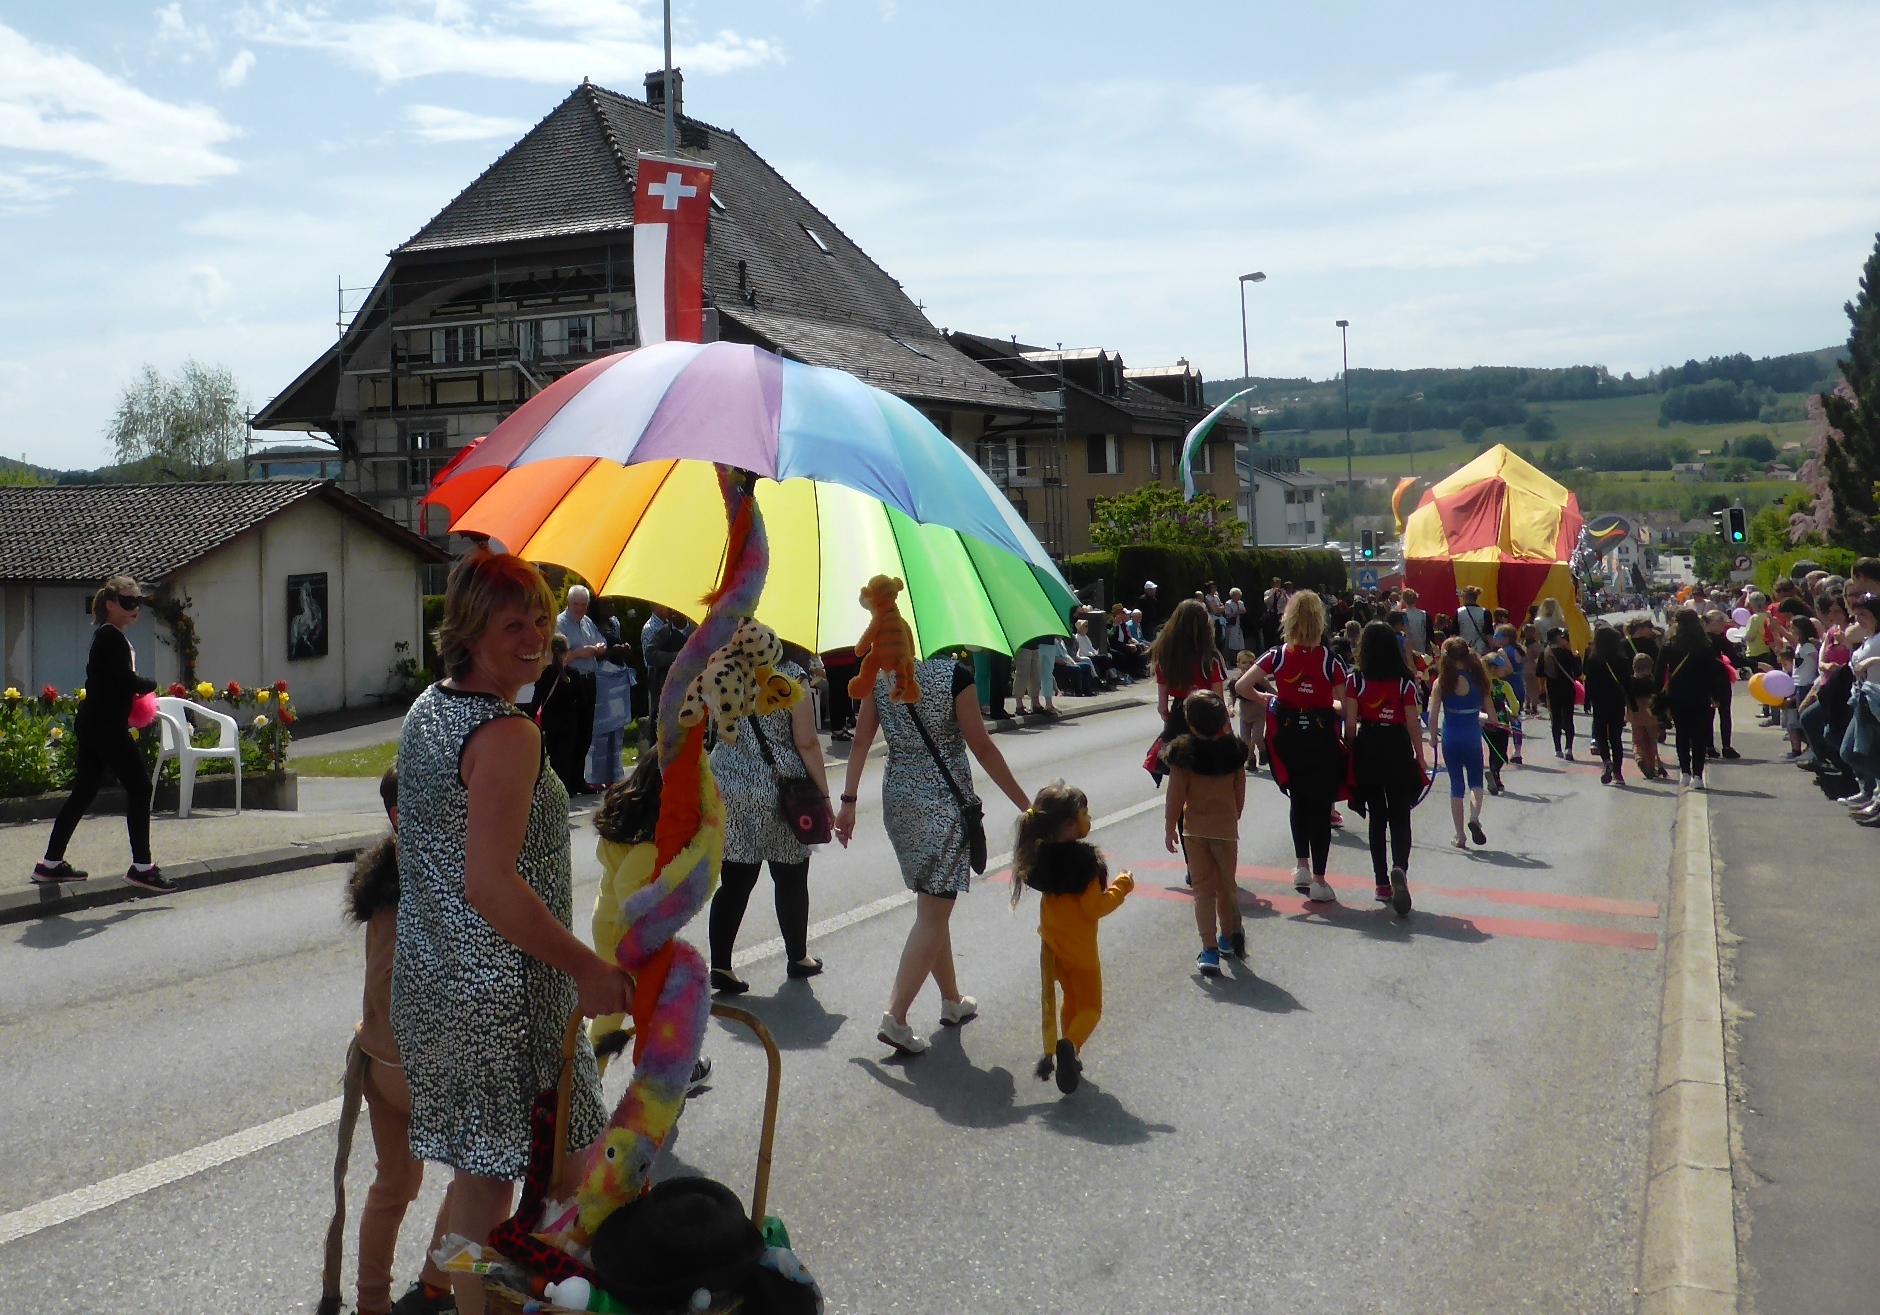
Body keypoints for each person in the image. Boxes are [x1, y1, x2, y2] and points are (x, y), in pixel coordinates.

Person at [394, 551, 629, 1315]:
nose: (534, 638)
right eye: (512, 625)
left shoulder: (429, 708)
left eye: (539, 618)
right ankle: (521, 1298)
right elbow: (490, 884)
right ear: (469, 632)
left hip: (436, 983)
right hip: (508, 999)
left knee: (481, 1181)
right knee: (578, 1174)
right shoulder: (505, 734)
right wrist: (587, 966)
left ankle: (470, 1296)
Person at [834, 646, 1031, 1056]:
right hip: (943, 802)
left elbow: (860, 743)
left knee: (932, 905)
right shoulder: (955, 675)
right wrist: (1026, 806)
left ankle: (952, 1000)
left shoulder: (880, 677)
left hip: (898, 799)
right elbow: (982, 747)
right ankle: (895, 1016)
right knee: (933, 910)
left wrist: (848, 802)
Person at [344, 767, 456, 1315]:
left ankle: (373, 1303)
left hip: (379, 1059)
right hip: (411, 1063)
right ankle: (436, 1281)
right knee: (483, 1172)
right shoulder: (415, 876)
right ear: (400, 815)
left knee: (395, 1182)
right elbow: (387, 979)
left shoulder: (396, 870)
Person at [707, 643, 832, 992]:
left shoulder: (724, 670)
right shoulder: (792, 676)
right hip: (780, 790)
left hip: (728, 785)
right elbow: (806, 742)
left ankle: (721, 965)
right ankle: (798, 957)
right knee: (791, 875)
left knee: (735, 880)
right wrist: (824, 795)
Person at [35, 577, 168, 890]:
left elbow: (114, 682)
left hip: (96, 724)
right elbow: (124, 679)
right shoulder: (110, 637)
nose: (135, 608)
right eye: (127, 602)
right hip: (105, 726)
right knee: (140, 786)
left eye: (138, 602)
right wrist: (149, 685)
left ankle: (50, 864)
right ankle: (142, 867)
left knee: (84, 792)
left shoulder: (110, 636)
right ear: (110, 605)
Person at [1011, 782, 1133, 1094]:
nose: (1088, 819)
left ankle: (1070, 1053)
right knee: (1090, 1007)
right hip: (1081, 952)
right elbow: (1095, 909)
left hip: (1054, 948)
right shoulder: (1085, 865)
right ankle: (1070, 1044)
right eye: (1084, 814)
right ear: (1069, 825)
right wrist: (1122, 886)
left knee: (1071, 1000)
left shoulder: (1040, 858)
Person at [1237, 590, 1347, 900]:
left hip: (1287, 738)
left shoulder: (1278, 655)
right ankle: (1320, 880)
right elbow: (1345, 705)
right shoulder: (1330, 660)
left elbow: (1242, 685)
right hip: (1321, 739)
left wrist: (1267, 698)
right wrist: (1329, 705)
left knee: (1298, 801)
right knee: (1321, 807)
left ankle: (1301, 866)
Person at [1164, 691, 1248, 975]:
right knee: (1226, 885)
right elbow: (1239, 792)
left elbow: (1175, 796)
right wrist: (1233, 815)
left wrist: (1170, 827)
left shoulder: (1183, 754)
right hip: (1226, 829)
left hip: (1195, 831)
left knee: (1202, 890)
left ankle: (1209, 950)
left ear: (1191, 723)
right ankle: (1228, 937)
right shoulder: (1234, 752)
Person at [1344, 621, 1424, 916]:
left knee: (1377, 816)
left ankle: (1381, 883)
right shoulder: (1405, 682)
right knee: (1401, 816)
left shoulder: (1356, 680)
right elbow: (1413, 723)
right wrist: (1420, 756)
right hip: (1397, 746)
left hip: (1369, 745)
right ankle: (1400, 867)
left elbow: (1350, 724)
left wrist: (1350, 749)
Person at [1146, 599, 1227, 782]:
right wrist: (1225, 728)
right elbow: (1218, 698)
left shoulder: (1165, 655)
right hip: (1207, 715)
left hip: (1179, 714)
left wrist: (1170, 719)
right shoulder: (1210, 658)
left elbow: (1162, 707)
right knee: (1206, 775)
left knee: (1178, 773)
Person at [1428, 636, 1493, 849]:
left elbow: (1433, 715)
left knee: (1456, 785)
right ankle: (1474, 817)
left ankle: (1460, 835)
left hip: (1451, 736)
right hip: (1472, 735)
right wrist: (1480, 717)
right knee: (1476, 781)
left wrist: (1432, 737)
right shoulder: (1479, 680)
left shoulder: (1442, 682)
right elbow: (1492, 718)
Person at [1659, 607, 1722, 790]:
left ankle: (1685, 772)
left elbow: (1659, 669)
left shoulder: (1670, 643)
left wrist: (1659, 694)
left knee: (1682, 733)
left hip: (1677, 693)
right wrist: (1716, 695)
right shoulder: (1705, 644)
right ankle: (1698, 775)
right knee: (1699, 735)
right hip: (1700, 693)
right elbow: (1713, 672)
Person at [555, 585, 607, 793]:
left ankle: (578, 779)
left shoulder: (587, 622)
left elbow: (600, 639)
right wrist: (578, 653)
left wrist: (599, 647)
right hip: (569, 682)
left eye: (583, 605)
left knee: (585, 732)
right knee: (569, 733)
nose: (579, 609)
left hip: (589, 679)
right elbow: (556, 659)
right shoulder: (559, 623)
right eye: (576, 604)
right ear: (568, 603)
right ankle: (565, 782)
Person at [523, 634, 585, 797]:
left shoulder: (544, 674)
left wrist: (531, 719)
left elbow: (536, 700)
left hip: (549, 721)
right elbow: (582, 700)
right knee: (565, 758)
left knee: (551, 758)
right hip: (569, 722)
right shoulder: (574, 674)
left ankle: (551, 790)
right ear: (567, 651)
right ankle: (565, 790)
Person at [1584, 625, 1633, 785]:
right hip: (1616, 700)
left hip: (1599, 700)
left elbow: (1589, 682)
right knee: (1616, 737)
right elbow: (1627, 682)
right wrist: (1632, 703)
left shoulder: (1592, 659)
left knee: (1600, 734)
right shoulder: (1621, 659)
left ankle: (1606, 760)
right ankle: (1618, 773)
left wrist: (1587, 700)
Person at [638, 604, 691, 746]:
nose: (673, 612)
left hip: (689, 688)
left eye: (676, 609)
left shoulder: (695, 632)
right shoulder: (663, 633)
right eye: (670, 610)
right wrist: (676, 657)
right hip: (665, 688)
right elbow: (650, 655)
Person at [1541, 627, 1582, 759]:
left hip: (1552, 689)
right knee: (1568, 719)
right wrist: (1576, 658)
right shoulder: (1567, 653)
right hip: (1567, 689)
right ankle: (1569, 748)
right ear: (1558, 639)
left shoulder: (1545, 653)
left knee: (1555, 719)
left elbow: (1540, 673)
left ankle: (1557, 748)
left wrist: (1542, 691)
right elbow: (1578, 672)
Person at [1626, 652, 1667, 780]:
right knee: (1651, 742)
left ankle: (1639, 758)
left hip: (1635, 716)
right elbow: (1658, 698)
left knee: (1637, 742)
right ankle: (1652, 766)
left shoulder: (1630, 682)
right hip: (1651, 717)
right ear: (1649, 668)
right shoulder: (1651, 683)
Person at [1454, 585, 1492, 653]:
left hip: (1463, 648)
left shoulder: (1459, 612)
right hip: (1481, 649)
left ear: (1465, 598)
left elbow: (1454, 635)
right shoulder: (1485, 612)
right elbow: (1489, 635)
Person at [1400, 588, 1431, 658]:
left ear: (1404, 600)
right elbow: (1430, 635)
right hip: (1422, 651)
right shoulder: (1424, 615)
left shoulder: (1399, 615)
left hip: (1405, 652)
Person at [1223, 587, 1247, 655]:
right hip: (1232, 626)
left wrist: (1243, 611)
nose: (1238, 596)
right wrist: (1236, 613)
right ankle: (1232, 658)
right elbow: (1227, 616)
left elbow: (1244, 610)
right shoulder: (1228, 603)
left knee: (1240, 644)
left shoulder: (1241, 603)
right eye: (1236, 595)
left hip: (1239, 625)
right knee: (1233, 644)